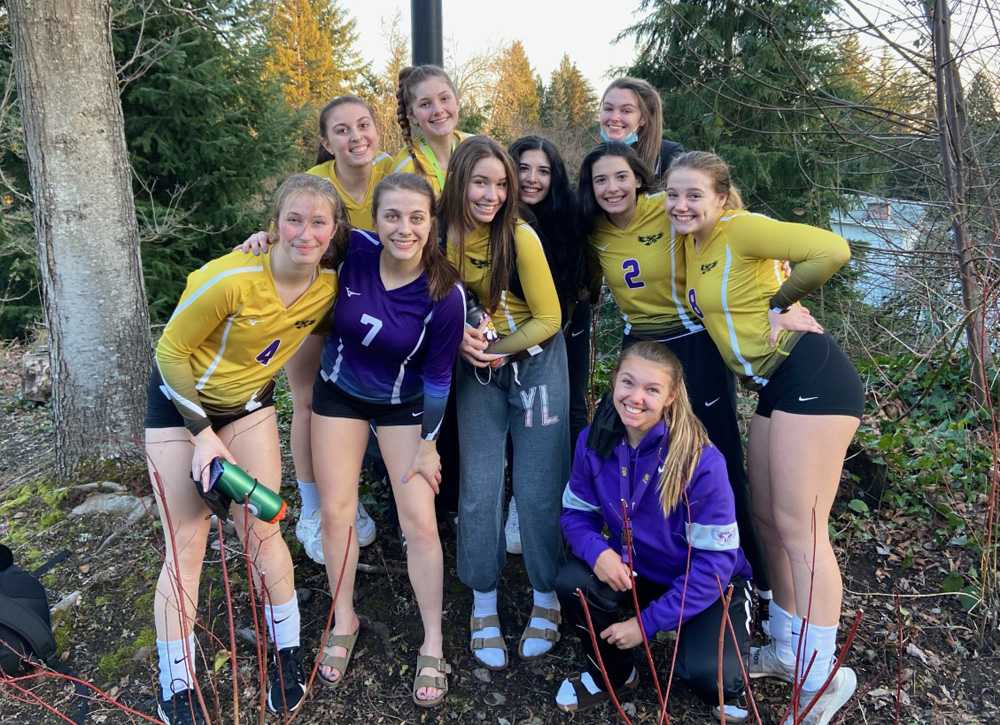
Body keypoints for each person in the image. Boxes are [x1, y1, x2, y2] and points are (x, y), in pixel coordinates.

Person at [667, 151, 863, 724]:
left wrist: (781, 304)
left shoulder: (739, 228)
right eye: (674, 195)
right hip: (775, 385)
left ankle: (823, 677)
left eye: (694, 195)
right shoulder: (696, 246)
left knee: (803, 529)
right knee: (770, 521)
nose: (682, 205)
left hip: (812, 373)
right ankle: (786, 650)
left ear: (722, 198)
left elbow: (832, 250)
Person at [146, 174, 344, 723]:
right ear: (274, 224)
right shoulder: (230, 278)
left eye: (319, 222)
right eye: (294, 219)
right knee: (187, 544)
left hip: (250, 406)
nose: (305, 233)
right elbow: (170, 353)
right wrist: (202, 435)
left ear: (333, 232)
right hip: (181, 408)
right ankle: (176, 683)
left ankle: (286, 651)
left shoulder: (328, 286)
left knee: (262, 529)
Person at [579, 142, 769, 597]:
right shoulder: (592, 228)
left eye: (621, 176)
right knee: (616, 442)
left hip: (692, 344)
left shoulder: (666, 208)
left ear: (640, 178)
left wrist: (779, 304)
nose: (612, 188)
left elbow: (740, 239)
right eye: (601, 179)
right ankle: (635, 562)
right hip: (639, 346)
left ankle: (753, 578)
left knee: (715, 455)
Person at [309, 173, 464, 708]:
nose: (404, 228)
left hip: (404, 406)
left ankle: (433, 642)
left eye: (416, 217)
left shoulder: (445, 294)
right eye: (393, 216)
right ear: (375, 219)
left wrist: (429, 444)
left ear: (431, 223)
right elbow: (299, 239)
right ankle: (343, 619)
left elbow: (441, 377)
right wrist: (259, 241)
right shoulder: (353, 250)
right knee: (336, 511)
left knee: (419, 519)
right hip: (340, 393)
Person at [555, 342, 751, 720]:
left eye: (652, 390)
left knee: (710, 679)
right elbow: (575, 515)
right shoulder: (592, 442)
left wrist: (644, 626)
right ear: (614, 382)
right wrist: (598, 552)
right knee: (573, 581)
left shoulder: (700, 460)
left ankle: (721, 637)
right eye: (628, 383)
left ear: (671, 397)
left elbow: (714, 565)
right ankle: (615, 673)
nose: (636, 398)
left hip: (705, 580)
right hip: (639, 572)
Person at [242, 95, 390, 559]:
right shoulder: (313, 183)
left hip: (378, 308)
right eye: (342, 130)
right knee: (308, 401)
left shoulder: (396, 171)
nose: (355, 137)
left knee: (372, 401)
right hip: (318, 299)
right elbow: (283, 232)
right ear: (326, 141)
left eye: (363, 125)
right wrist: (260, 239)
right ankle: (312, 509)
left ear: (378, 128)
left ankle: (353, 497)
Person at [443, 136, 567, 671]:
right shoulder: (439, 234)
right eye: (480, 182)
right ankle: (484, 602)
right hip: (478, 368)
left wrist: (496, 350)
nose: (491, 194)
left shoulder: (519, 237)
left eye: (501, 184)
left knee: (539, 485)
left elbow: (550, 318)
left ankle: (547, 596)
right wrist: (463, 341)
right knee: (479, 487)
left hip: (533, 360)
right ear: (458, 182)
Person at [501, 135, 589, 555]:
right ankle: (519, 499)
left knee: (567, 410)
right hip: (513, 331)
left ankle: (572, 499)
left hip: (566, 326)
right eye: (523, 168)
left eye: (543, 170)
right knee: (516, 413)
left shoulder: (569, 216)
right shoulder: (497, 219)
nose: (533, 179)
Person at [391, 65, 472, 197]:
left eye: (444, 99)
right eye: (425, 104)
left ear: (457, 102)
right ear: (411, 115)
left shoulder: (476, 147)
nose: (438, 110)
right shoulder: (405, 168)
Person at [598, 77, 683, 180]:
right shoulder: (596, 158)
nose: (614, 117)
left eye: (626, 111)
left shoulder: (668, 156)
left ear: (643, 118)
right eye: (608, 108)